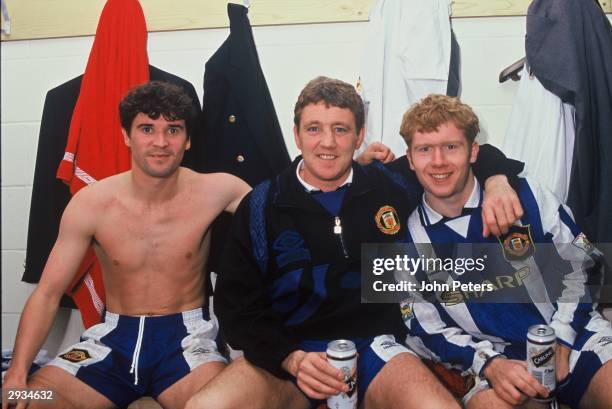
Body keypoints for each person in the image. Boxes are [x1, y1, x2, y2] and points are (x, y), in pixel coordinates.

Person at [186, 77, 525, 409]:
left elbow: (465, 152)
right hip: (292, 356)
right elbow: (235, 307)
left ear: (359, 135)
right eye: (314, 128)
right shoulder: (261, 206)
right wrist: (289, 358)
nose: (327, 143)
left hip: (379, 348)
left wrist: (497, 181)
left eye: (341, 129)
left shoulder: (391, 185)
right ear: (297, 135)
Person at [2, 81, 251, 409]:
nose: (160, 142)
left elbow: (281, 221)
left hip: (188, 341)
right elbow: (48, 294)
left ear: (188, 139)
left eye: (173, 130)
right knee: (29, 400)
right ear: (126, 136)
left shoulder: (220, 190)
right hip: (112, 341)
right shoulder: (91, 202)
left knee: (220, 405)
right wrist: (17, 375)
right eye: (147, 128)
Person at [396, 94, 612, 409]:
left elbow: (584, 263)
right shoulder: (408, 238)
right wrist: (488, 363)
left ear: (473, 152)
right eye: (425, 149)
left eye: (451, 147)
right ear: (410, 159)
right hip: (493, 361)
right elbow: (423, 325)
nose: (439, 161)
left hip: (573, 335)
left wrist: (562, 339)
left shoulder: (528, 196)